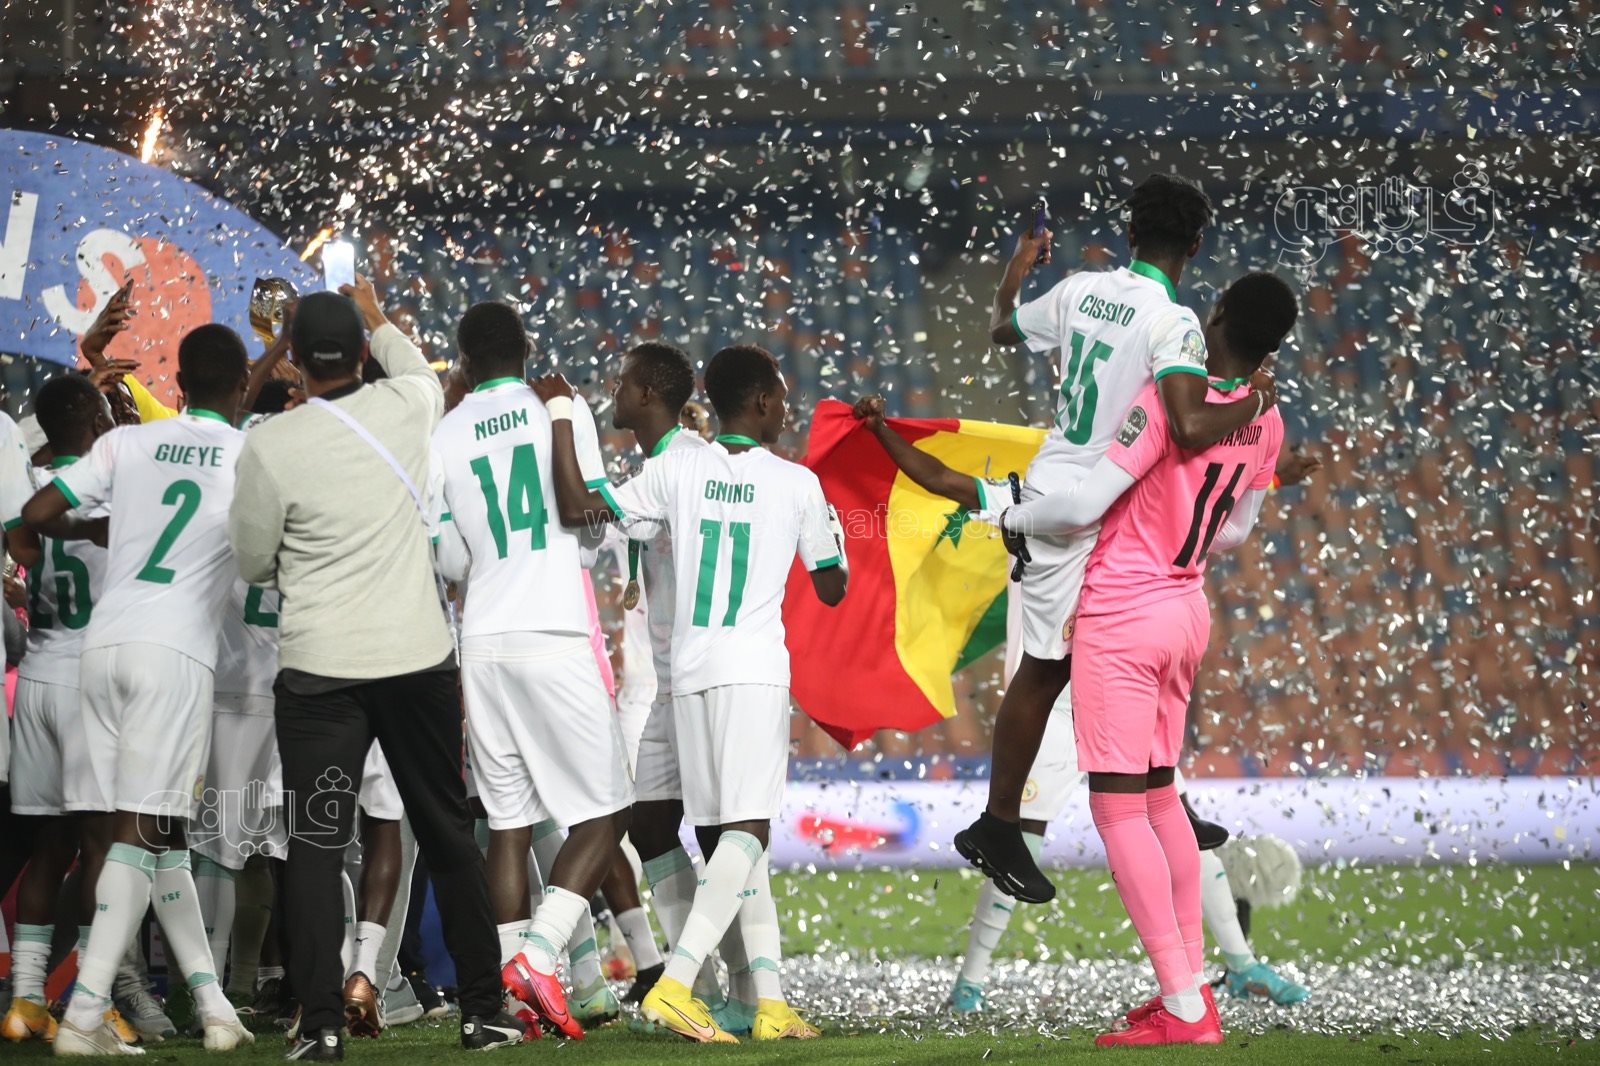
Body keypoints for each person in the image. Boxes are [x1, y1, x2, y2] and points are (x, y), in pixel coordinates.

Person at [848, 392, 1318, 1013]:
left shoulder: (1119, 502)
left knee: (1172, 821)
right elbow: (941, 479)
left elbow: (1194, 503)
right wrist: (882, 432)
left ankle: (1239, 964)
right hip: (1055, 707)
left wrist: (1272, 476)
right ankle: (970, 984)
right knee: (1023, 841)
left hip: (1120, 687)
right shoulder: (1037, 504)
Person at [994, 271, 1297, 1046]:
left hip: (1124, 612)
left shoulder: (1168, 400)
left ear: (1215, 315)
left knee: (1118, 808)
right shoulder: (1268, 419)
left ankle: (1185, 1006)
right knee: (1162, 800)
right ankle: (1190, 993)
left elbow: (1082, 505)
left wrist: (1011, 515)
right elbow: (1235, 531)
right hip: (1186, 609)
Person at [958, 175, 1279, 905]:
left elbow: (1003, 330)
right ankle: (999, 825)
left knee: (1121, 654)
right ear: (1196, 245)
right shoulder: (1176, 323)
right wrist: (1257, 400)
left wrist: (1016, 269)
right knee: (1048, 671)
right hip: (1074, 507)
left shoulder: (1078, 289)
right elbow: (1190, 425)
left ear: (1130, 233)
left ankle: (1164, 792)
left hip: (1085, 497)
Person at [227, 278, 519, 1060]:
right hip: (415, 660)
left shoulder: (271, 444)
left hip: (319, 672)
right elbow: (414, 365)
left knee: (317, 845)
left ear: (294, 358)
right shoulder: (411, 403)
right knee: (447, 831)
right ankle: (483, 1012)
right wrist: (376, 310)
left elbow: (252, 562)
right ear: (362, 351)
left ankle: (320, 1025)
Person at [536, 343, 847, 1043]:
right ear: (762, 402)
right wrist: (834, 529)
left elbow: (587, 507)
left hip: (691, 672)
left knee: (720, 834)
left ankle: (764, 1002)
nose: (786, 407)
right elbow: (832, 585)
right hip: (753, 670)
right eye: (781, 396)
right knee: (748, 830)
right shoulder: (796, 482)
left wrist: (562, 417)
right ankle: (677, 985)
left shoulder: (680, 468)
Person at [22, 325, 255, 1056]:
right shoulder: (246, 454)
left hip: (100, 650)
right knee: (138, 836)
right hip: (173, 656)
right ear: (241, 384)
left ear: (177, 384)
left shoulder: (126, 442)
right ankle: (84, 1016)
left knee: (160, 838)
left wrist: (96, 533)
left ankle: (215, 1007)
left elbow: (36, 516)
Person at [429, 301, 633, 1039]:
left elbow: (450, 558)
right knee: (607, 809)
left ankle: (509, 1006)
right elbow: (592, 527)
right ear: (526, 347)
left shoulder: (444, 432)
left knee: (509, 824)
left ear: (464, 361)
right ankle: (540, 956)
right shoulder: (559, 407)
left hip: (483, 639)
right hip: (553, 630)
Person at [1, 375, 118, 1045]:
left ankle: (25, 1003)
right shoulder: (110, 483)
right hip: (88, 680)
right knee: (102, 846)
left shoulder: (31, 486)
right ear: (97, 418)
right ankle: (89, 1006)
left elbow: (19, 551)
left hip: (38, 676)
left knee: (49, 850)